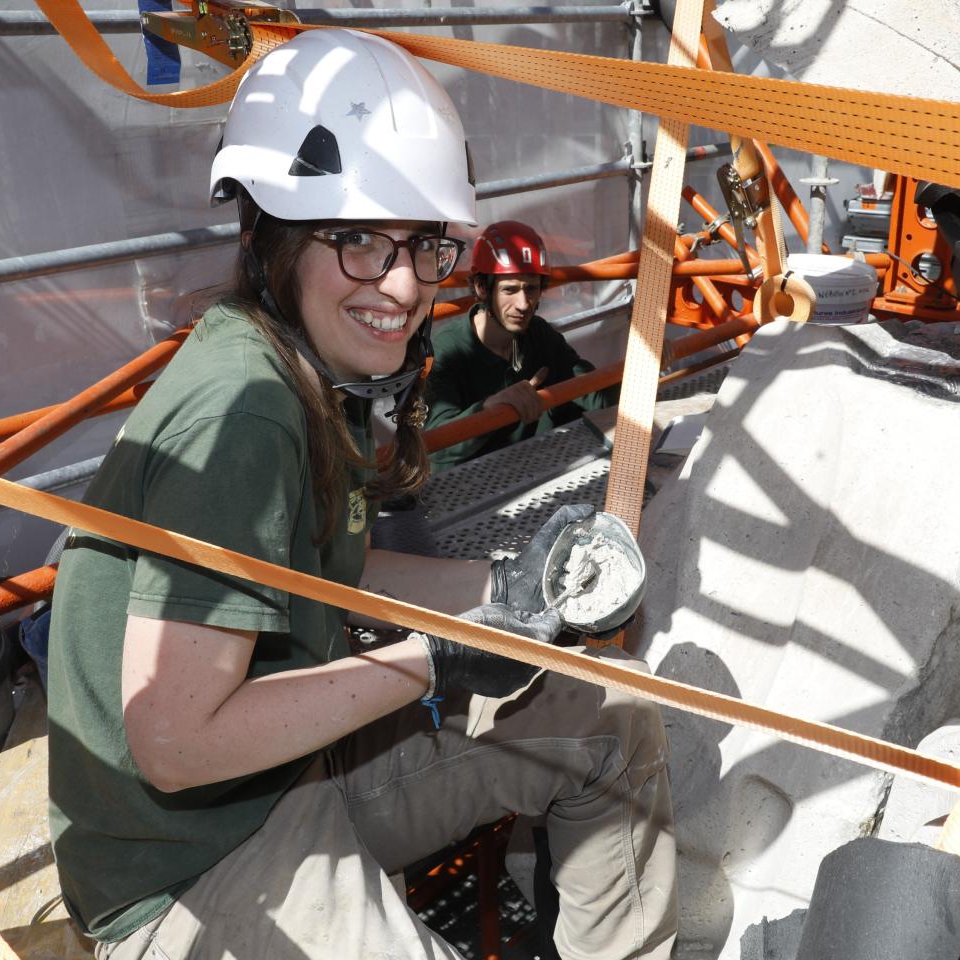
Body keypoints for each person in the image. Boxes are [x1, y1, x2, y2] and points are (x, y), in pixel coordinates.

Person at [44, 29, 675, 960]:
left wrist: (510, 587)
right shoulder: (247, 411)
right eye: (356, 240)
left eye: (423, 245)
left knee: (609, 717)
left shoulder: (298, 369)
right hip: (187, 863)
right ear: (272, 237)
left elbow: (327, 569)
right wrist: (439, 663)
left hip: (286, 769)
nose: (402, 283)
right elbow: (174, 742)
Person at [424, 221, 619, 474]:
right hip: (473, 484)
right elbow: (434, 445)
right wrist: (490, 408)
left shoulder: (538, 334)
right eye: (510, 290)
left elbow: (592, 393)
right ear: (482, 288)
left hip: (538, 468)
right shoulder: (446, 351)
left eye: (531, 289)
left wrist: (641, 371)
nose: (523, 304)